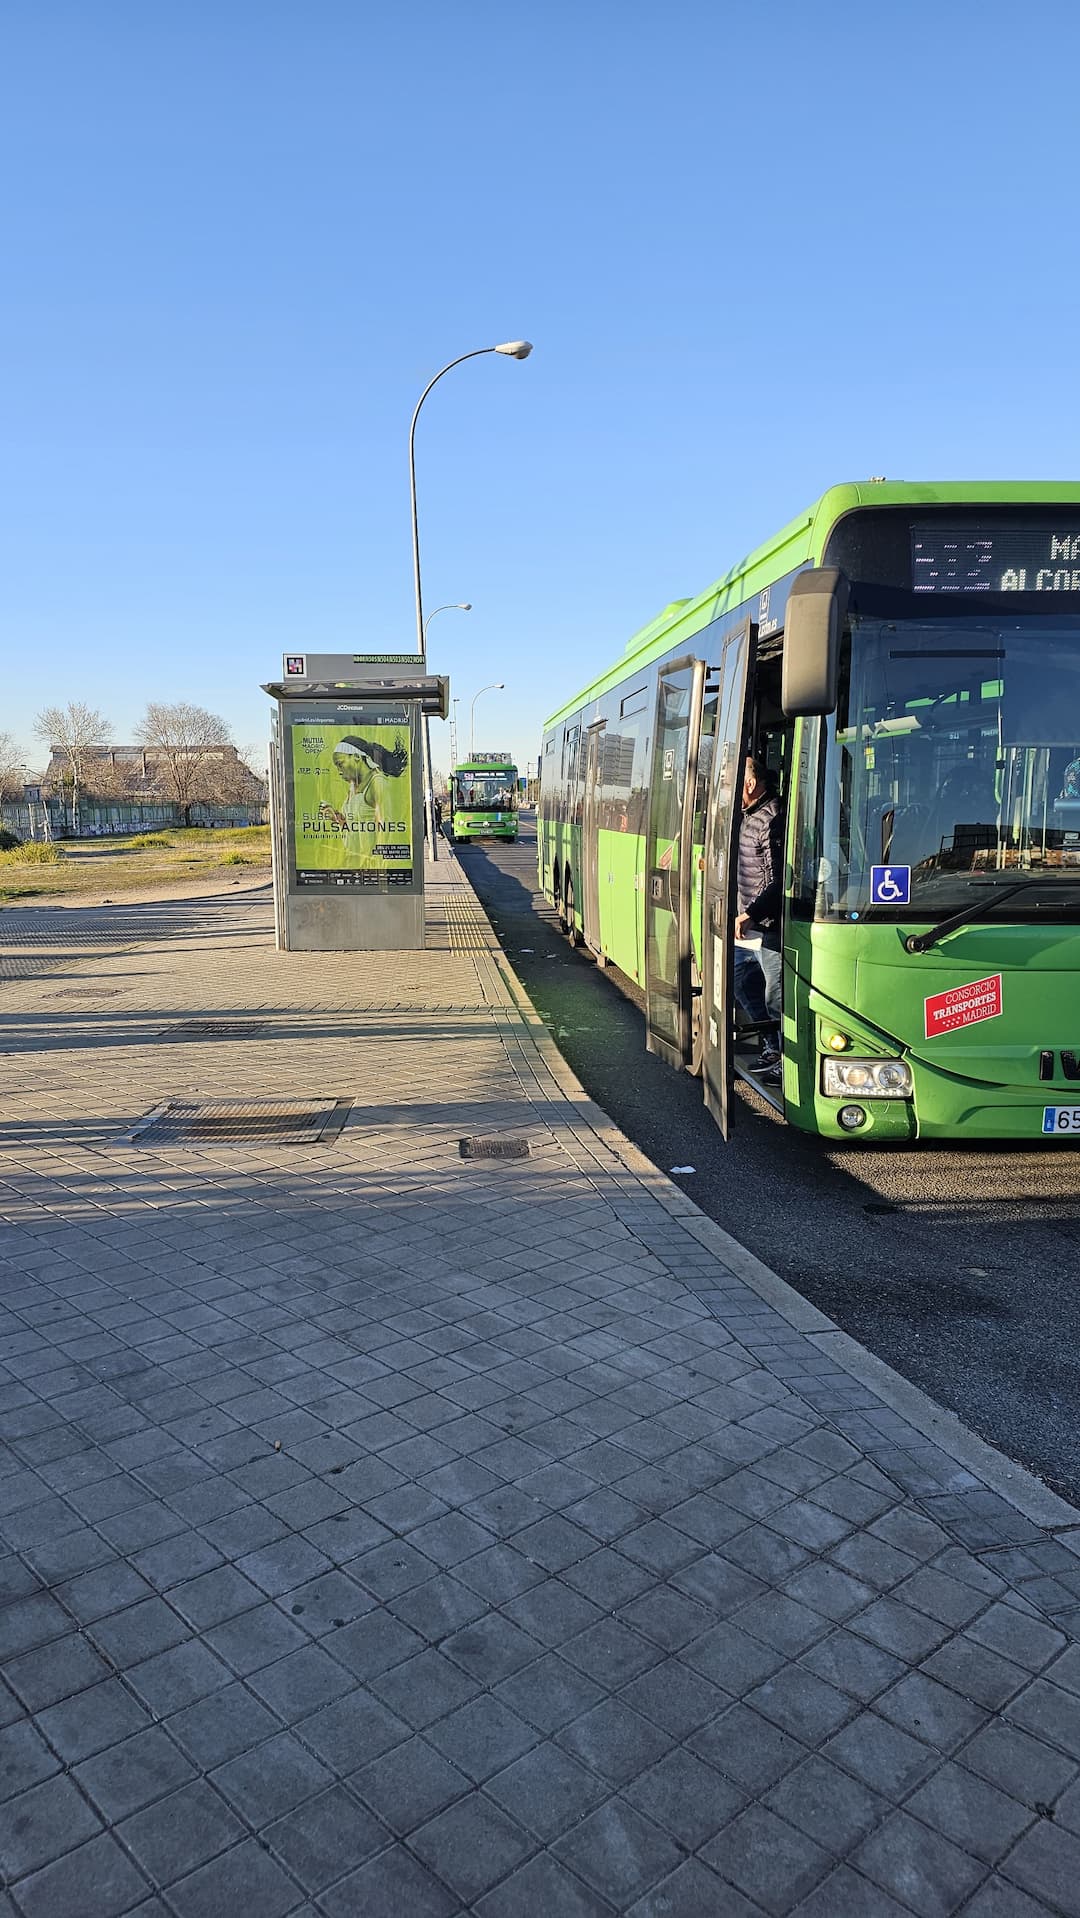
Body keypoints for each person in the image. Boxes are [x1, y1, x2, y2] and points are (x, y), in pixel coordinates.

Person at [733, 755, 783, 1081]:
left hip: (767, 924)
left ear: (750, 783)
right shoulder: (747, 815)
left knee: (775, 996)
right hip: (748, 921)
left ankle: (782, 1058)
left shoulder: (773, 818)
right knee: (739, 979)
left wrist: (751, 913)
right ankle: (769, 1044)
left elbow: (778, 879)